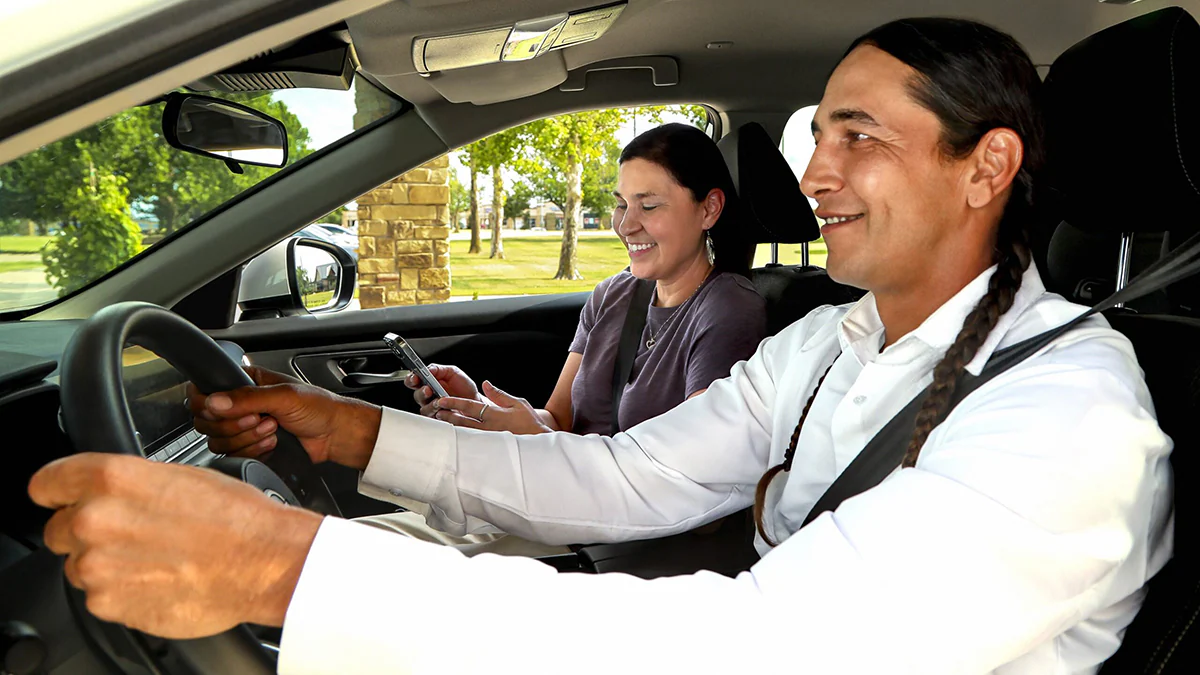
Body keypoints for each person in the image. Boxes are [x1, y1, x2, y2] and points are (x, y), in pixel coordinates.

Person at [28, 17, 1173, 674]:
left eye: (858, 136)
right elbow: (628, 474)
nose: (815, 172)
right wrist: (363, 434)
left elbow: (776, 653)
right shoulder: (834, 340)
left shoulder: (1069, 415)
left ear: (988, 167)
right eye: (815, 133)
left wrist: (282, 567)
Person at [353, 122, 767, 555]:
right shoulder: (613, 295)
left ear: (709, 209)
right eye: (622, 205)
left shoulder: (728, 310)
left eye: (649, 206)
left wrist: (535, 439)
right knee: (359, 545)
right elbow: (558, 421)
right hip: (555, 507)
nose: (626, 225)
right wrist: (485, 410)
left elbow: (697, 489)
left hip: (627, 545)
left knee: (390, 563)